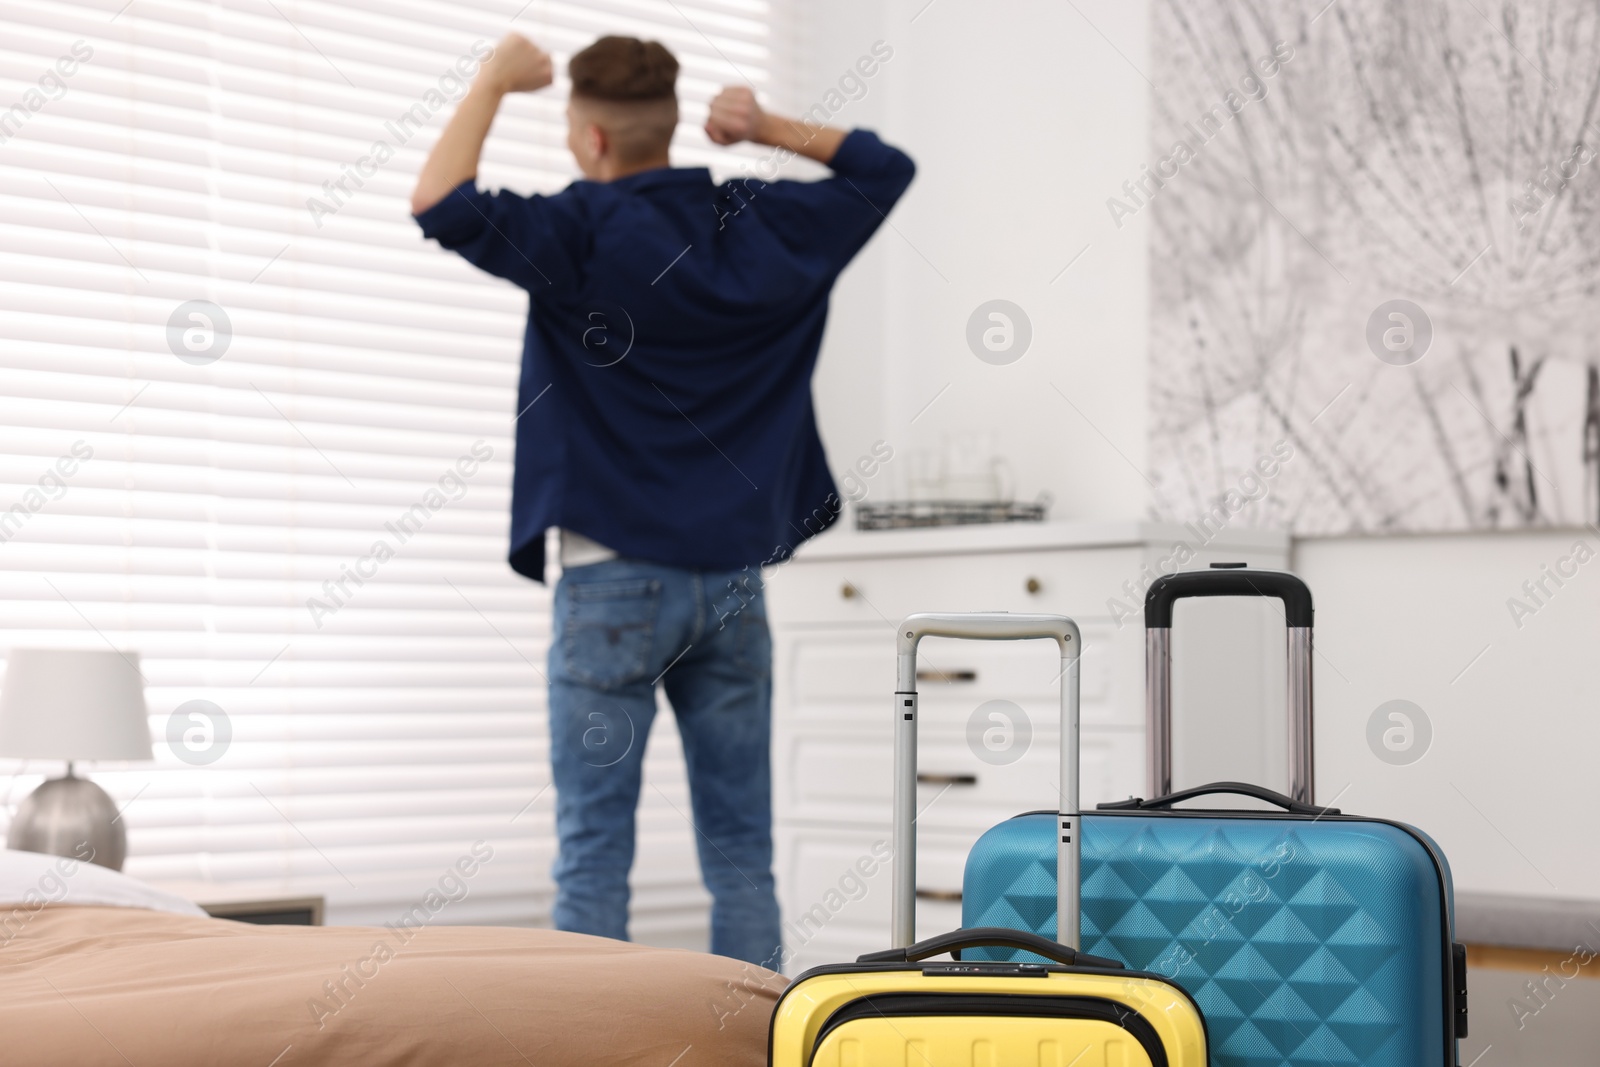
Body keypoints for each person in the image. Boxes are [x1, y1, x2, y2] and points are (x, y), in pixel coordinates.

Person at [411, 33, 914, 970]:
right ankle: (752, 1038)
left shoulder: (580, 232)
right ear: (674, 125)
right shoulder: (758, 228)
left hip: (611, 590)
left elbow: (439, 200)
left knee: (595, 855)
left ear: (592, 140)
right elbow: (883, 170)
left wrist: (490, 82)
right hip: (732, 590)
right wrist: (762, 125)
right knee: (743, 856)